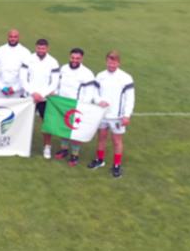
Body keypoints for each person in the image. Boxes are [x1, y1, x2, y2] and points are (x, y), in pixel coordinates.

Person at [88, 50, 135, 178]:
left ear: (118, 63)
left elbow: (130, 98)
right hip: (102, 114)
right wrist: (99, 101)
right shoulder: (100, 76)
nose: (111, 65)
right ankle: (100, 160)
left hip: (117, 116)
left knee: (116, 141)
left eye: (114, 63)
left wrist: (127, 115)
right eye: (109, 62)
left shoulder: (126, 78)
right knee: (101, 137)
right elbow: (94, 93)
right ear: (106, 61)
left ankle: (116, 165)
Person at [54, 48, 97, 166]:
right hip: (62, 104)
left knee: (75, 132)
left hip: (77, 107)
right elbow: (58, 84)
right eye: (72, 58)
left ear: (82, 59)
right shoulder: (63, 69)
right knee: (63, 128)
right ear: (69, 57)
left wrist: (81, 107)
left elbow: (89, 93)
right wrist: (56, 95)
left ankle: (75, 155)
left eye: (77, 58)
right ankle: (64, 149)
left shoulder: (87, 73)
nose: (74, 60)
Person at [20, 38, 60, 159]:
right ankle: (23, 146)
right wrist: (33, 93)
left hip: (45, 98)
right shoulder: (28, 60)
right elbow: (23, 78)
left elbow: (54, 82)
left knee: (46, 123)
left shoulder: (53, 62)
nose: (41, 50)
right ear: (35, 47)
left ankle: (47, 147)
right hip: (30, 97)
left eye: (43, 48)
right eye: (39, 48)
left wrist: (41, 94)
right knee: (25, 122)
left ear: (47, 48)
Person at [0, 29, 31, 98]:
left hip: (18, 89)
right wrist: (1, 87)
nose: (13, 39)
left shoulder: (25, 52)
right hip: (0, 88)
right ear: (7, 37)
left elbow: (25, 74)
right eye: (11, 37)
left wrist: (15, 88)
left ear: (18, 38)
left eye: (15, 37)